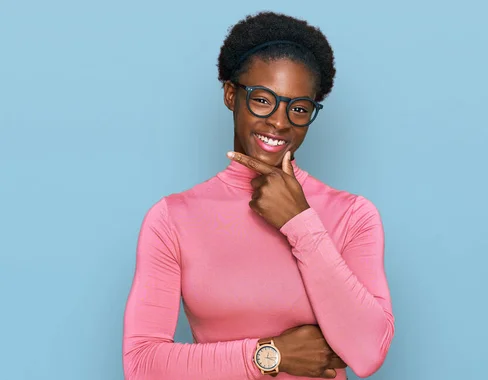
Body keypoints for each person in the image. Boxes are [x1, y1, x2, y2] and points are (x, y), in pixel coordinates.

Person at [122, 11, 395, 380]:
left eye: (298, 108)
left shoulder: (353, 216)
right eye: (263, 100)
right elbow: (141, 365)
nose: (280, 122)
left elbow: (367, 353)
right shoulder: (172, 219)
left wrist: (301, 222)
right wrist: (269, 356)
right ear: (231, 95)